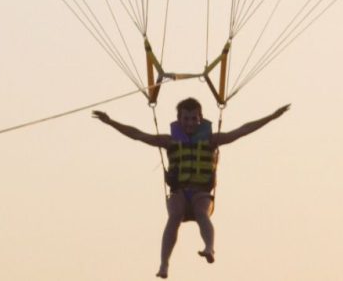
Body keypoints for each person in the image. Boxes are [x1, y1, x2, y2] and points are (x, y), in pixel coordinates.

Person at [92, 98, 290, 278]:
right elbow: (137, 135)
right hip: (179, 192)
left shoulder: (212, 140)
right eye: (186, 119)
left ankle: (209, 248)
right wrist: (110, 122)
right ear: (179, 120)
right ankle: (164, 264)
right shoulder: (169, 141)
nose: (190, 123)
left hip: (201, 193)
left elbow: (242, 131)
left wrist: (271, 117)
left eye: (194, 119)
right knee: (175, 215)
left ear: (200, 119)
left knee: (201, 212)